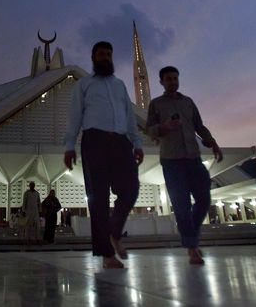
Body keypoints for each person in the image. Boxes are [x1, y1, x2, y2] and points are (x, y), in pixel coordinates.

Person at [64, 41, 144, 269]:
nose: (106, 57)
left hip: (121, 142)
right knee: (98, 198)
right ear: (93, 57)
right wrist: (69, 145)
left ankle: (114, 233)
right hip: (94, 141)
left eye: (109, 54)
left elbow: (129, 117)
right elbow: (74, 116)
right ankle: (107, 255)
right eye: (101, 54)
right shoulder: (84, 85)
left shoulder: (120, 86)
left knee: (130, 190)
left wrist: (136, 142)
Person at [146, 66, 223, 265]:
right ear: (161, 82)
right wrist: (165, 127)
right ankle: (192, 247)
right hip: (172, 160)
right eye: (168, 79)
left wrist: (212, 142)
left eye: (175, 78)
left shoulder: (188, 102)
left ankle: (189, 231)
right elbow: (150, 130)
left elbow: (199, 125)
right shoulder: (156, 104)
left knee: (204, 199)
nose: (172, 81)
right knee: (181, 206)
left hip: (193, 157)